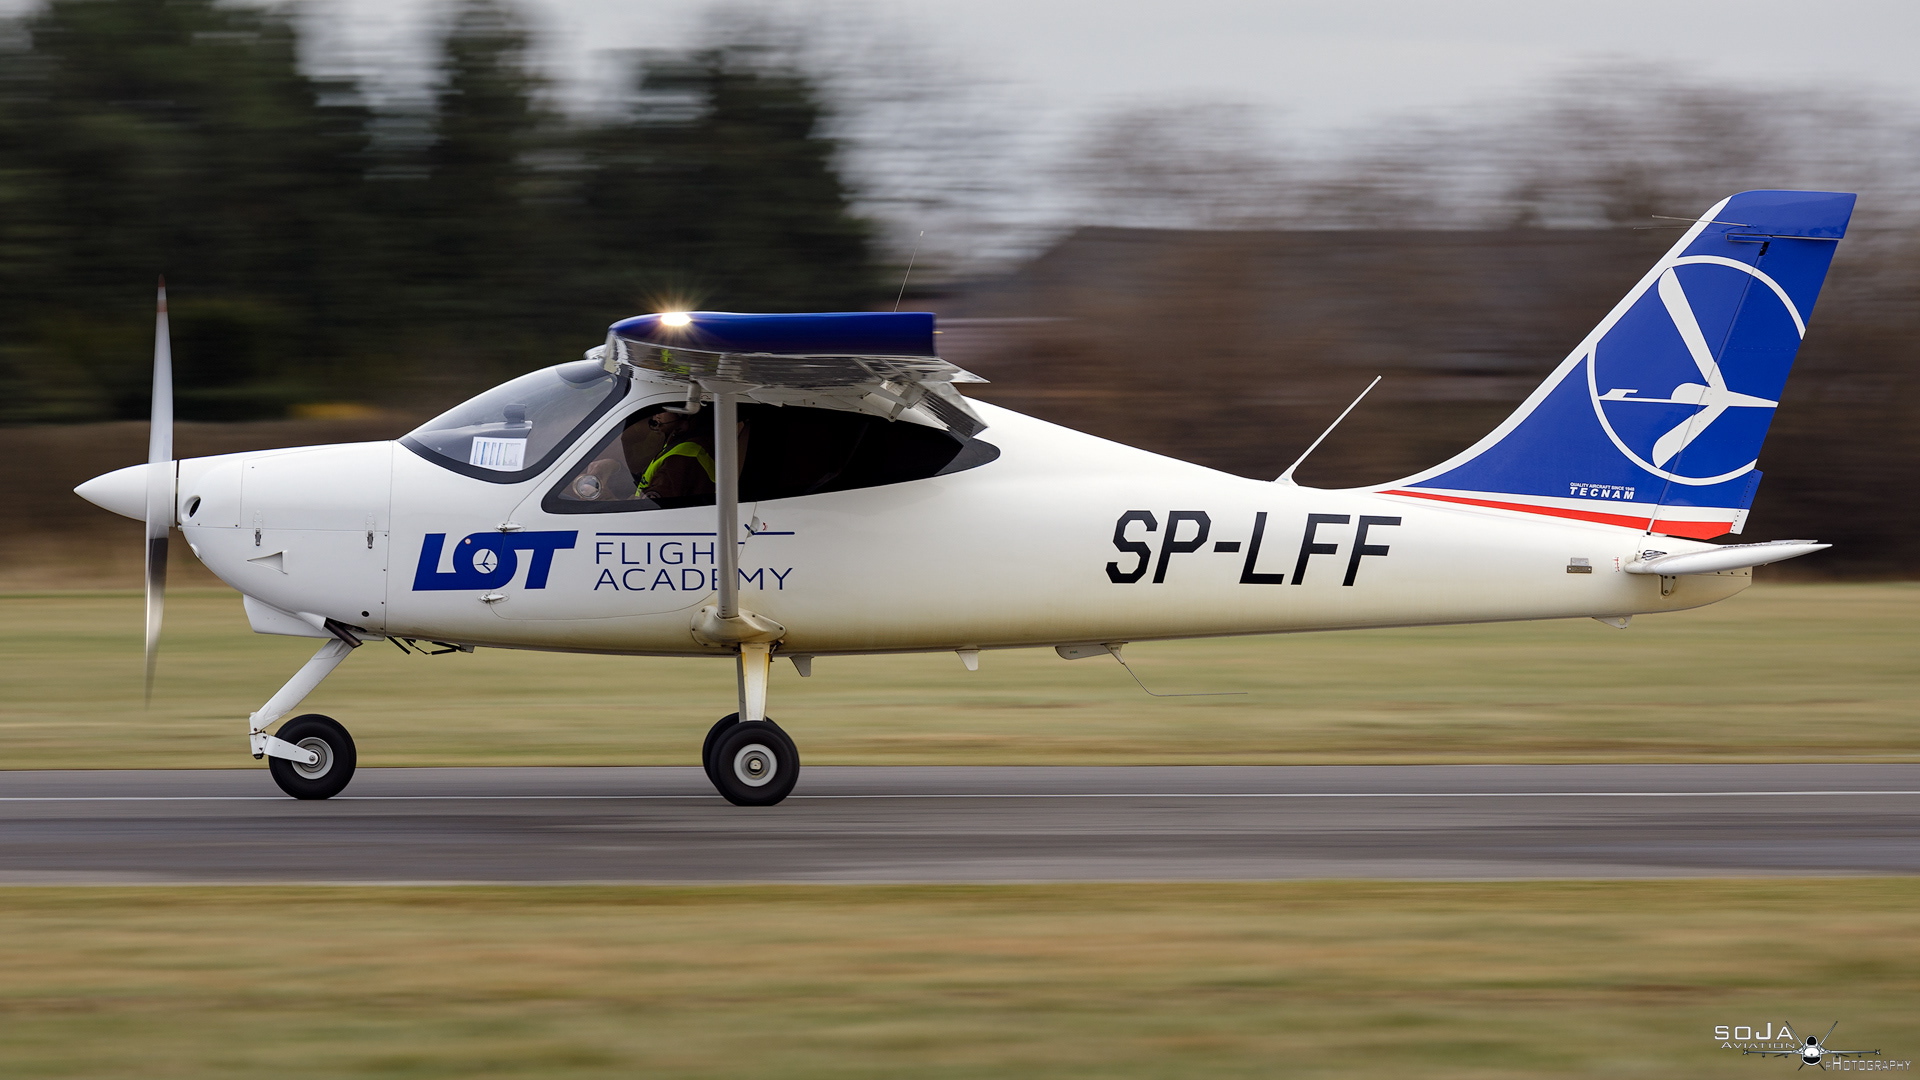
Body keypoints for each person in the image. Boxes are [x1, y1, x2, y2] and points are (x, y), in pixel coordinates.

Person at [637, 408, 717, 500]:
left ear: (684, 413)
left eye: (664, 409)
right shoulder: (676, 440)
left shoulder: (683, 455)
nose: (656, 415)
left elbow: (656, 500)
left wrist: (637, 501)